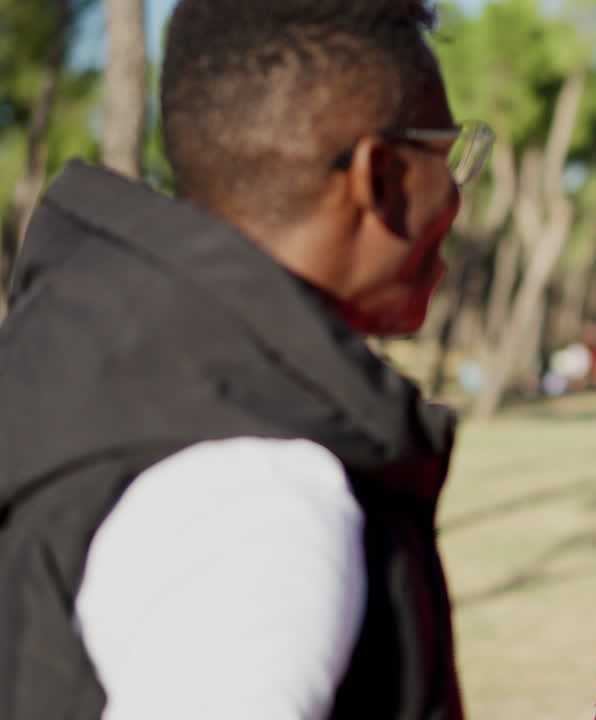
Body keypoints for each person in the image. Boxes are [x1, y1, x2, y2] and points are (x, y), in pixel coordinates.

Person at [0, 1, 492, 718]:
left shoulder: (76, 371)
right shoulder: (259, 493)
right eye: (446, 155)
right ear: (378, 177)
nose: (454, 193)